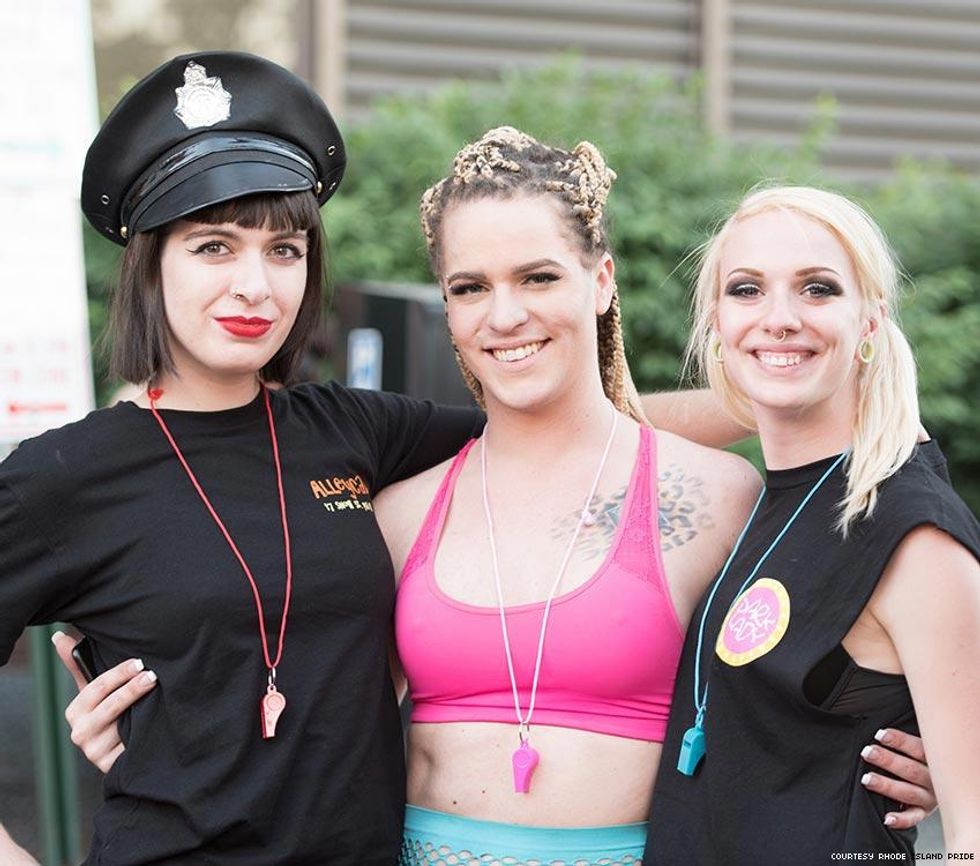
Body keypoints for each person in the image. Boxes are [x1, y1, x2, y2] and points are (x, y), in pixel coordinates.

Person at [45, 133, 937, 863]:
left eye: (538, 277)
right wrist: (164, 725)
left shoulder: (722, 496)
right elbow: (311, 703)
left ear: (602, 280)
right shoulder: (397, 509)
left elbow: (803, 673)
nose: (504, 316)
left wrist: (899, 745)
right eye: (470, 288)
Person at [0, 51, 485, 866]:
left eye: (284, 250)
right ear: (150, 265)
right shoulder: (63, 477)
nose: (256, 286)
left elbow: (559, 433)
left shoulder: (351, 431)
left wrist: (727, 403)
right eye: (214, 247)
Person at [645, 186, 980, 862]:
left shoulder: (914, 532)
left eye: (818, 290)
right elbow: (591, 430)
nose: (779, 318)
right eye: (746, 290)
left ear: (870, 323)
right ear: (715, 321)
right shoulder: (786, 494)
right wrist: (773, 377)